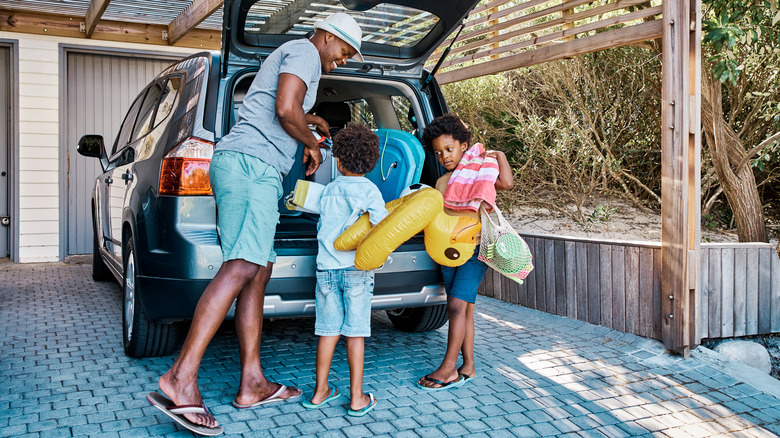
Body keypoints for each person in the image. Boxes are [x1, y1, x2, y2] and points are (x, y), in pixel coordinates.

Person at [148, 13, 365, 434]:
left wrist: (314, 125)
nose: (342, 61)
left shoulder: (299, 57)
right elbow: (285, 108)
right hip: (253, 167)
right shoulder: (303, 50)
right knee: (242, 266)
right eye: (343, 52)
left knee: (257, 272)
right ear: (327, 36)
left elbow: (289, 108)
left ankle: (252, 383)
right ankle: (180, 377)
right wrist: (312, 145)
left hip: (249, 168)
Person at [417, 114, 513, 391]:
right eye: (438, 152)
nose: (444, 156)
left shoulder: (480, 171)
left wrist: (500, 155)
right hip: (448, 251)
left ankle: (448, 368)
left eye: (449, 149)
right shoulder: (442, 182)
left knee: (457, 306)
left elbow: (506, 184)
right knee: (464, 309)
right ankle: (468, 366)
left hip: (475, 249)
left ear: (463, 145)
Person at [301, 123, 387, 416]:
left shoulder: (329, 190)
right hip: (356, 271)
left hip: (326, 269)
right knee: (355, 334)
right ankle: (356, 397)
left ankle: (320, 391)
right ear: (372, 162)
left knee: (327, 332)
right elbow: (383, 227)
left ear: (337, 161)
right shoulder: (371, 191)